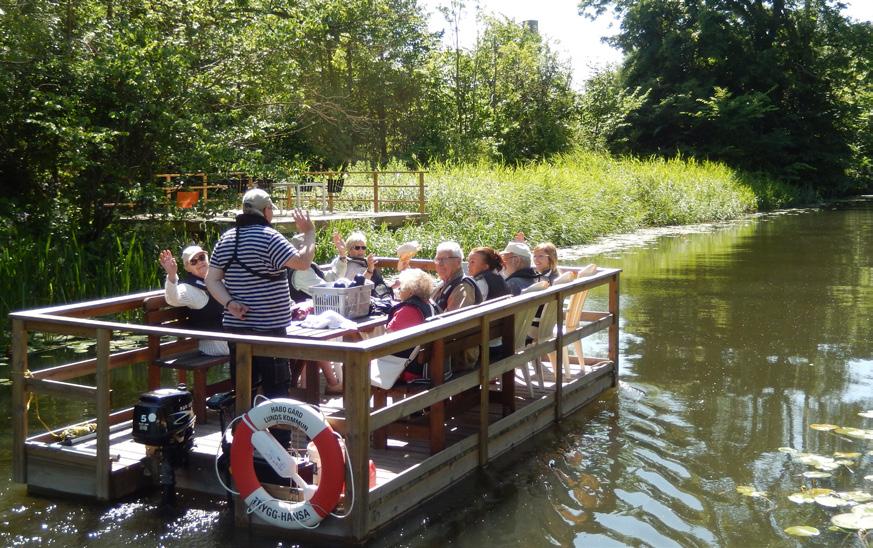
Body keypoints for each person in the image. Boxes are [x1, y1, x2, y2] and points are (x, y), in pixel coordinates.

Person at [205, 188, 315, 401]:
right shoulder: (270, 237)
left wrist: (229, 303)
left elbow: (211, 279)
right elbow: (302, 263)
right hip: (269, 329)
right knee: (276, 391)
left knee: (244, 388)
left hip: (236, 328)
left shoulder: (227, 238)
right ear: (266, 211)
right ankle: (278, 434)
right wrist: (309, 233)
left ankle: (243, 431)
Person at [158, 246, 229, 356]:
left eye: (201, 257)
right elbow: (172, 299)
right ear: (187, 268)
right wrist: (171, 275)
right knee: (255, 346)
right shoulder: (188, 289)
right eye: (193, 261)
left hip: (228, 337)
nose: (200, 262)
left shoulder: (218, 279)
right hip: (213, 344)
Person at [431, 241, 482, 371]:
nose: (439, 264)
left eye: (444, 259)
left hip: (457, 355)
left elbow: (455, 324)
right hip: (448, 348)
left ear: (458, 262)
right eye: (437, 259)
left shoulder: (462, 288)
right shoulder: (446, 284)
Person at [386, 269, 435, 383]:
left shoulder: (407, 311)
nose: (399, 291)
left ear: (411, 292)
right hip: (423, 364)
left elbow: (388, 339)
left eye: (401, 287)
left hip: (406, 369)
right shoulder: (430, 306)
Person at [324, 231, 390, 297]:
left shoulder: (365, 262)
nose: (361, 250)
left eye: (363, 248)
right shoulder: (344, 262)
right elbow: (357, 286)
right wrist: (369, 270)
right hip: (355, 298)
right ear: (349, 250)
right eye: (357, 248)